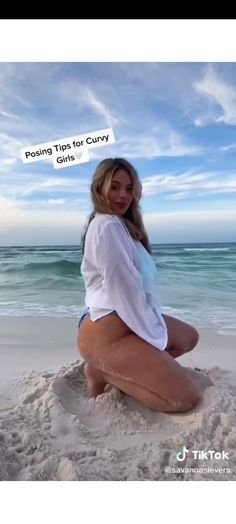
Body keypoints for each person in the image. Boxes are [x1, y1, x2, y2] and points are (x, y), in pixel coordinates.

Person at [77, 157, 201, 412]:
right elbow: (124, 291)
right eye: (115, 187)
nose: (123, 195)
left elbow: (139, 290)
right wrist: (152, 338)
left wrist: (151, 333)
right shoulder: (106, 225)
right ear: (99, 187)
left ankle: (125, 367)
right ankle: (103, 371)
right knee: (184, 398)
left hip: (128, 322)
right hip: (106, 332)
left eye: (129, 189)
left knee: (188, 338)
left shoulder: (125, 228)